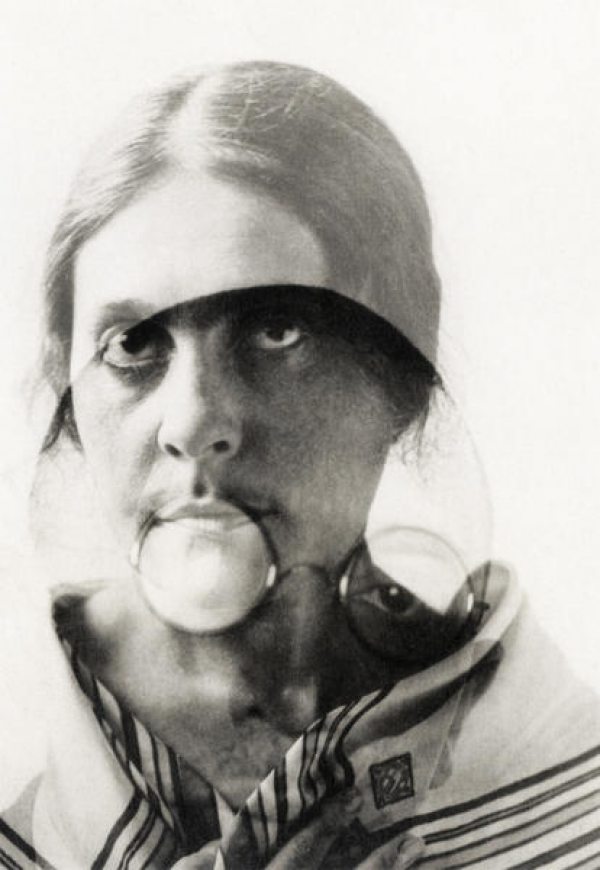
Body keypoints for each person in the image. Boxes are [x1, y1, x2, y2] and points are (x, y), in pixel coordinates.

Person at [1, 61, 599, 869]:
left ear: (402, 378)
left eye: (277, 331)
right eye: (133, 344)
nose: (194, 421)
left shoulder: (566, 764)